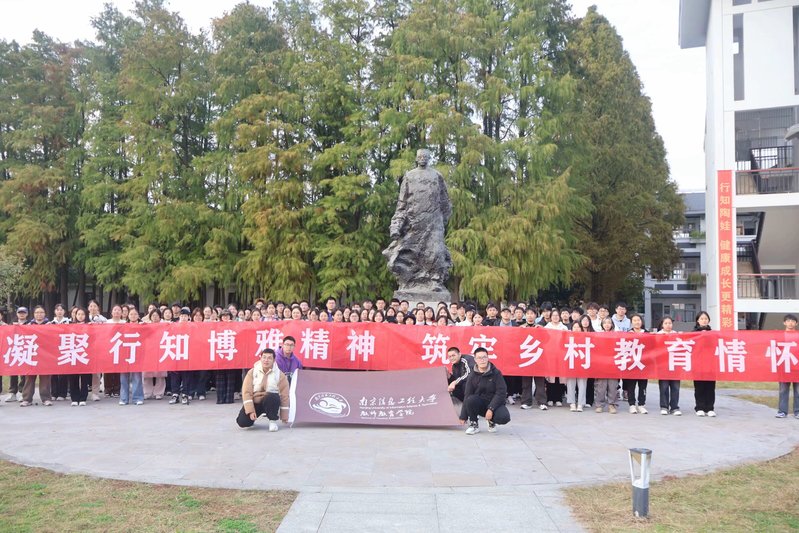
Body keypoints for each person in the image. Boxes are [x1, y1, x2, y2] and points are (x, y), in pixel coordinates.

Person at [459, 347, 511, 434]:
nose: (482, 360)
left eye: (484, 357)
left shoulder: (496, 373)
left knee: (504, 417)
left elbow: (501, 392)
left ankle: (491, 421)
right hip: (480, 403)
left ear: (488, 358)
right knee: (470, 399)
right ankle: (474, 424)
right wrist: (463, 416)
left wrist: (491, 409)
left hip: (494, 403)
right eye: (479, 358)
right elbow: (467, 394)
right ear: (475, 360)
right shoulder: (472, 375)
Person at [236, 349, 290, 431]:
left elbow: (284, 395)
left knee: (272, 396)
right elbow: (246, 392)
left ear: (274, 360)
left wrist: (284, 415)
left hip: (270, 401)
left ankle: (272, 421)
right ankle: (253, 418)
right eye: (264, 357)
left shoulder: (280, 375)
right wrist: (250, 411)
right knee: (242, 422)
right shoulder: (252, 372)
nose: (266, 360)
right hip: (256, 402)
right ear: (260, 358)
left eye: (269, 358)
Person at [20, 306, 52, 407]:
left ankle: (46, 398)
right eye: (37, 312)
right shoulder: (28, 325)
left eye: (41, 312)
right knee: (29, 377)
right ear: (33, 314)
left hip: (45, 355)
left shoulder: (50, 325)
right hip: (32, 355)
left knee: (45, 378)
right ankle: (27, 399)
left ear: (45, 314)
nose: (39, 314)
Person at [623, 314, 649, 414]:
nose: (637, 322)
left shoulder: (647, 333)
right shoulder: (628, 334)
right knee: (631, 386)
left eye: (638, 320)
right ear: (631, 322)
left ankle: (642, 404)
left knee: (643, 386)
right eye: (634, 320)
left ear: (641, 321)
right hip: (632, 364)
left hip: (643, 364)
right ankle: (632, 404)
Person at [692, 311, 716, 417]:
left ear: (708, 320)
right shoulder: (693, 333)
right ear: (698, 320)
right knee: (699, 387)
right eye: (702, 319)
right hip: (698, 363)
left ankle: (710, 408)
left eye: (706, 318)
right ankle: (700, 407)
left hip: (710, 363)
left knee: (710, 387)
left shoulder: (713, 333)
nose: (704, 320)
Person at [119, 307, 144, 406]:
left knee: (137, 376)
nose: (133, 316)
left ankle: (137, 398)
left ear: (138, 315)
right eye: (131, 314)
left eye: (135, 314)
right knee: (123, 377)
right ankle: (124, 398)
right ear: (128, 316)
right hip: (125, 354)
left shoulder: (143, 326)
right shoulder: (123, 326)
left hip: (137, 354)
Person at [593, 317, 619, 414]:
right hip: (601, 364)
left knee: (613, 386)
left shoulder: (616, 335)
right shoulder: (598, 336)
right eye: (605, 323)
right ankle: (599, 405)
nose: (607, 325)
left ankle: (612, 404)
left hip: (613, 363)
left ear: (612, 324)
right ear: (602, 325)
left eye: (609, 322)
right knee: (600, 386)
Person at [656, 316, 681, 416]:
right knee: (664, 386)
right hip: (663, 365)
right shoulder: (657, 335)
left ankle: (674, 407)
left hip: (675, 364)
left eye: (670, 323)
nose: (668, 325)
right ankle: (664, 406)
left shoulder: (676, 335)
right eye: (666, 323)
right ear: (662, 325)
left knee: (675, 387)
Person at [776, 313, 799, 419]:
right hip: (784, 366)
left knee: (798, 390)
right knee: (783, 390)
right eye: (788, 321)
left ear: (796, 323)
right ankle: (782, 411)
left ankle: (797, 411)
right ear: (784, 323)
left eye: (793, 321)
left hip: (797, 366)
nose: (790, 323)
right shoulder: (779, 336)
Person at [68, 307, 91, 406]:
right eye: (78, 314)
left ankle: (83, 398)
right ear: (75, 315)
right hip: (73, 354)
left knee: (84, 378)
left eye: (82, 314)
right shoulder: (70, 326)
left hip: (85, 354)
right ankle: (74, 398)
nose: (80, 316)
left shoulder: (90, 326)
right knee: (73, 377)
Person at [565, 321, 588, 412]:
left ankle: (581, 403)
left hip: (583, 364)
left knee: (582, 384)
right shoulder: (568, 338)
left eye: (578, 327)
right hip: (571, 363)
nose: (576, 329)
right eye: (574, 327)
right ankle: (572, 403)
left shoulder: (586, 337)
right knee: (570, 384)